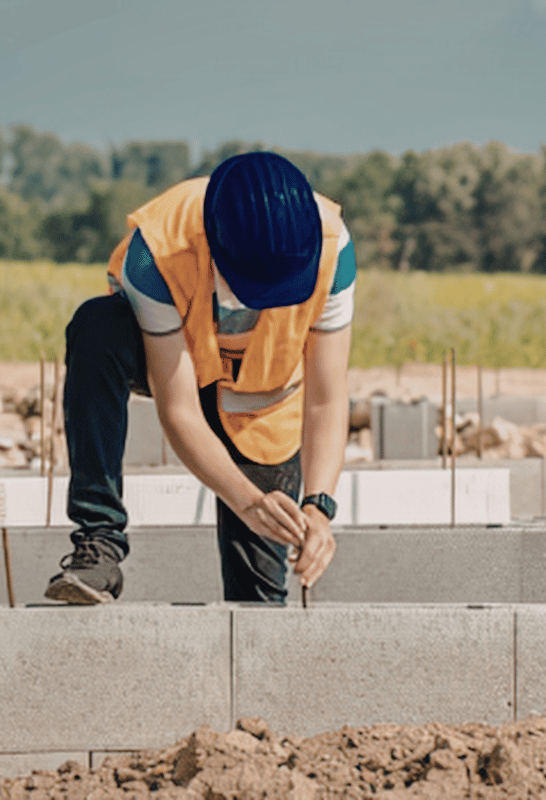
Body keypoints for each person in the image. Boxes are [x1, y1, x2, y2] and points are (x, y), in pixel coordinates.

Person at [45, 152, 353, 605]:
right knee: (98, 328)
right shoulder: (158, 251)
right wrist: (248, 502)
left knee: (258, 602)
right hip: (173, 365)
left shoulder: (333, 250)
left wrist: (318, 506)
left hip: (259, 404)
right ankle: (99, 541)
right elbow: (180, 410)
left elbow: (327, 399)